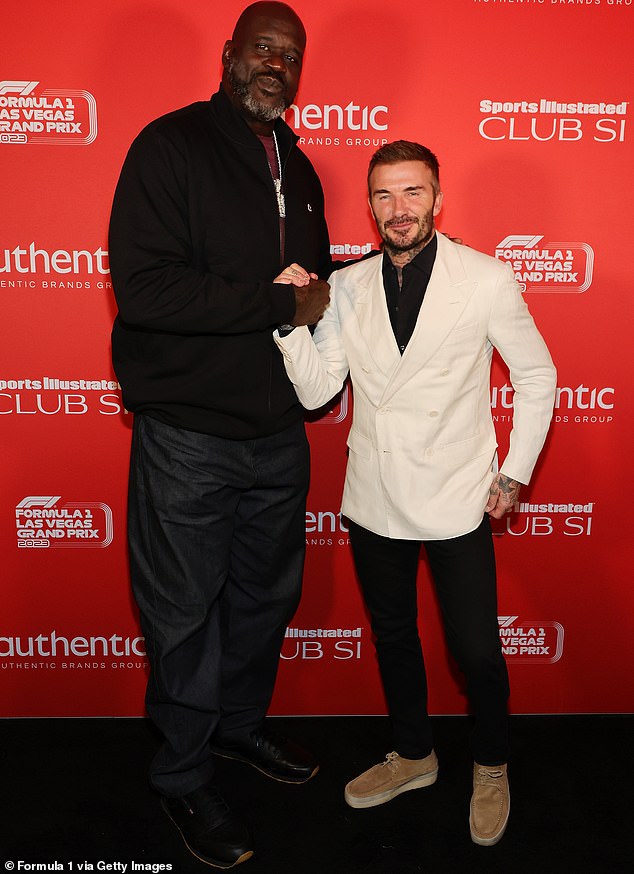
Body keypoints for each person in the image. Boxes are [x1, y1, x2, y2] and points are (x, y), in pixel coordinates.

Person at [274, 140, 557, 847]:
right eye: (384, 196)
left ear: (438, 198)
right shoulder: (348, 285)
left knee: (476, 650)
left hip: (459, 489)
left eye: (412, 193)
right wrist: (286, 322)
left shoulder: (486, 278)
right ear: (369, 205)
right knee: (394, 637)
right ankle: (415, 754)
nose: (399, 210)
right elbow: (318, 390)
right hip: (375, 490)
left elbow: (537, 376)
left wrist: (514, 472)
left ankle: (491, 766)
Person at [108, 3, 331, 868]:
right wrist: (281, 305)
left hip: (278, 435)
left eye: (292, 56)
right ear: (230, 53)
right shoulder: (169, 146)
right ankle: (182, 776)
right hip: (189, 438)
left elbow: (308, 291)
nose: (276, 65)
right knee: (185, 615)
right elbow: (149, 291)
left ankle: (237, 732)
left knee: (264, 602)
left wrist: (395, 270)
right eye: (263, 49)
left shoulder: (299, 162)